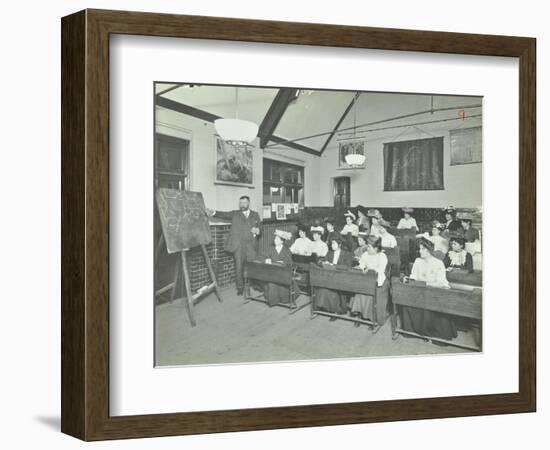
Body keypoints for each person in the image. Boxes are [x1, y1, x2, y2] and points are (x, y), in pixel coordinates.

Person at [400, 238, 457, 341]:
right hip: (422, 290)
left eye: (423, 249)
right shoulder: (417, 261)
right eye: (420, 249)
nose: (420, 251)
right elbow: (414, 276)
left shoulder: (438, 263)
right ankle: (414, 330)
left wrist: (425, 284)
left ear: (429, 250)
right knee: (407, 300)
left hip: (435, 291)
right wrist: (408, 279)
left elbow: (441, 283)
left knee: (431, 304)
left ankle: (431, 332)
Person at [207, 195, 261, 296]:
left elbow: (260, 227)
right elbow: (224, 214)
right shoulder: (235, 214)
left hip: (251, 245)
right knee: (239, 266)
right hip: (239, 245)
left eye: (244, 203)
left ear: (248, 203)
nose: (242, 205)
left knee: (253, 265)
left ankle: (254, 284)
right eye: (240, 203)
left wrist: (258, 230)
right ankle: (240, 288)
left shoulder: (255, 214)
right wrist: (213, 212)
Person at [349, 236, 390, 327]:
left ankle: (372, 318)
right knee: (360, 291)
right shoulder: (365, 254)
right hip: (366, 279)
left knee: (371, 293)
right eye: (367, 246)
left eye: (369, 247)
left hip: (379, 280)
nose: (367, 248)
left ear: (375, 248)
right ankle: (360, 314)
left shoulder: (382, 256)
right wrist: (363, 268)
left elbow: (381, 270)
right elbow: (361, 265)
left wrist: (370, 270)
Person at [313, 237, 353, 318]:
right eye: (331, 243)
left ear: (340, 245)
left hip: (341, 277)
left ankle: (336, 309)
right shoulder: (330, 252)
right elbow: (322, 260)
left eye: (334, 244)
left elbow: (347, 267)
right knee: (321, 286)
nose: (331, 245)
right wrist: (322, 262)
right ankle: (325, 308)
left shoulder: (346, 254)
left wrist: (334, 266)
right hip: (330, 276)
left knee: (333, 287)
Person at [264, 230, 293, 306]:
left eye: (277, 239)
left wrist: (282, 263)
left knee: (276, 278)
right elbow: (265, 256)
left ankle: (283, 298)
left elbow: (290, 262)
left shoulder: (286, 250)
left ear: (282, 241)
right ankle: (273, 299)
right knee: (272, 278)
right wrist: (267, 259)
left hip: (283, 272)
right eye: (275, 238)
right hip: (273, 271)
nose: (274, 240)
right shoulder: (271, 248)